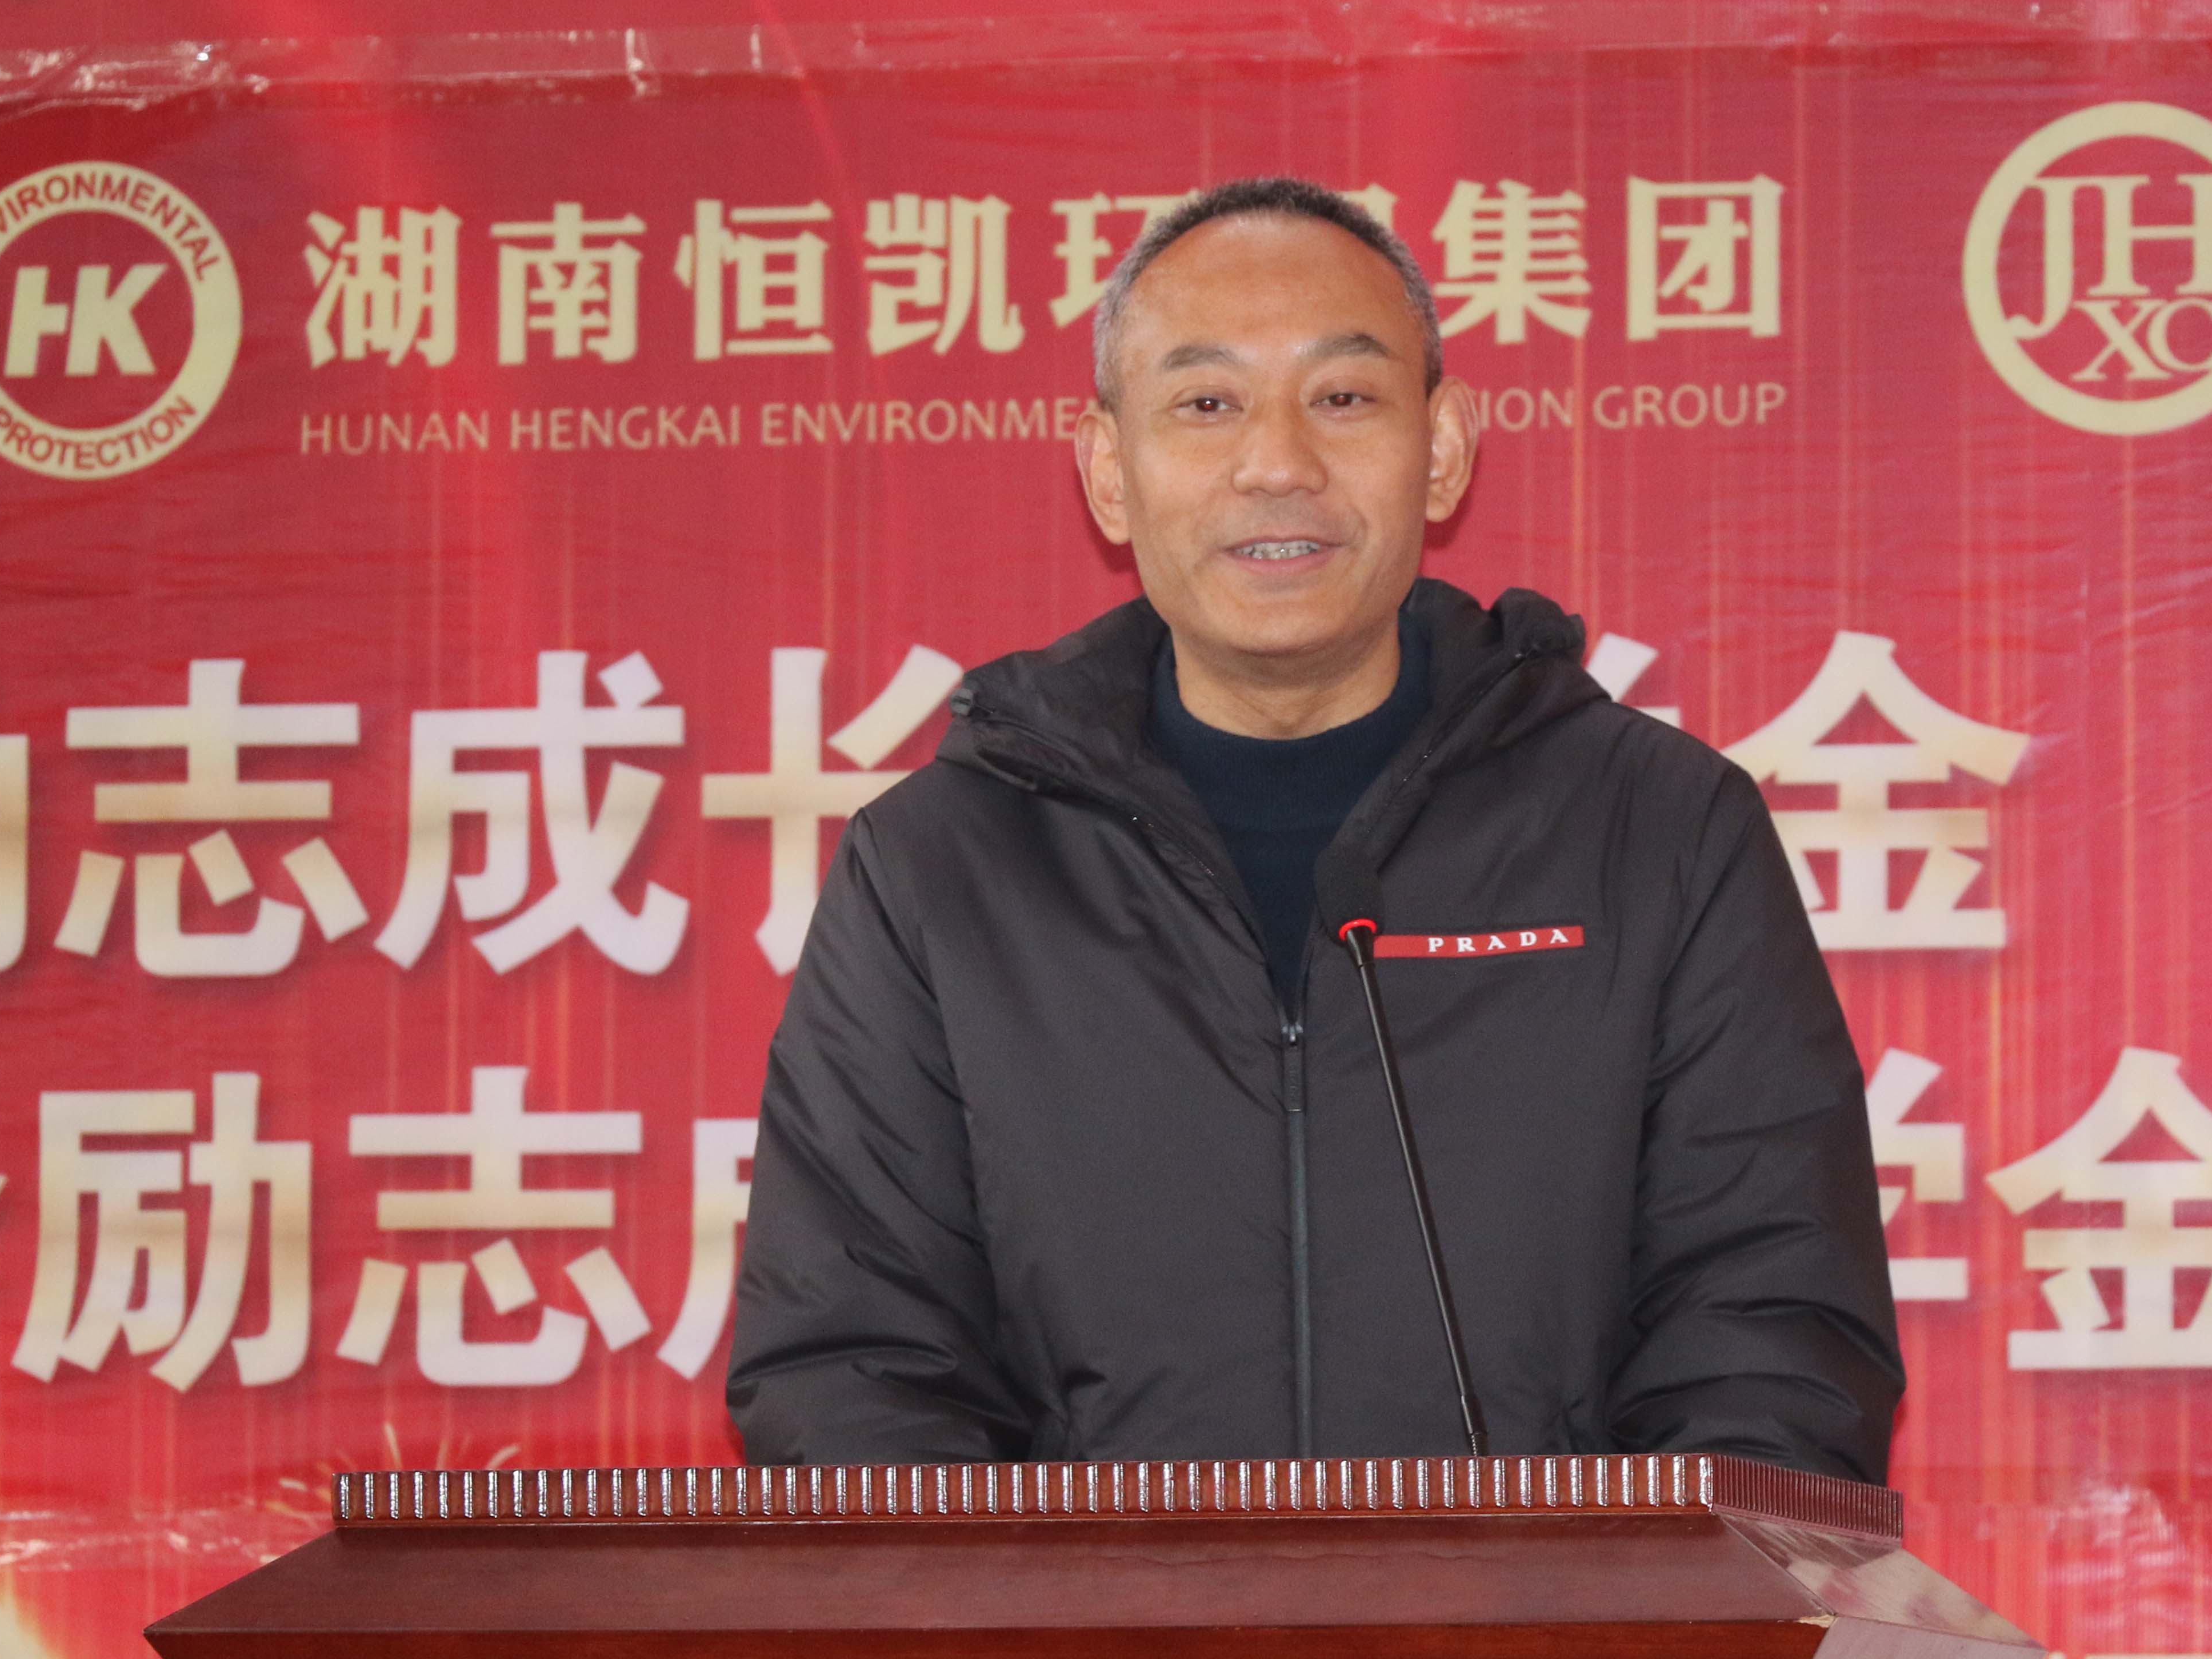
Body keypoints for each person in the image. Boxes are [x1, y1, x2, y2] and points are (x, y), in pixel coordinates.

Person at [726, 177, 1899, 1477]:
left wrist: (1585, 1599)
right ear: (1110, 471)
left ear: (1441, 449)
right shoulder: (941, 872)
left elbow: (1772, 1341)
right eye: (1206, 404)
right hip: (1079, 1620)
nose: (1277, 463)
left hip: (1552, 1618)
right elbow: (855, 1367)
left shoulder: (1660, 832)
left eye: (1342, 398)